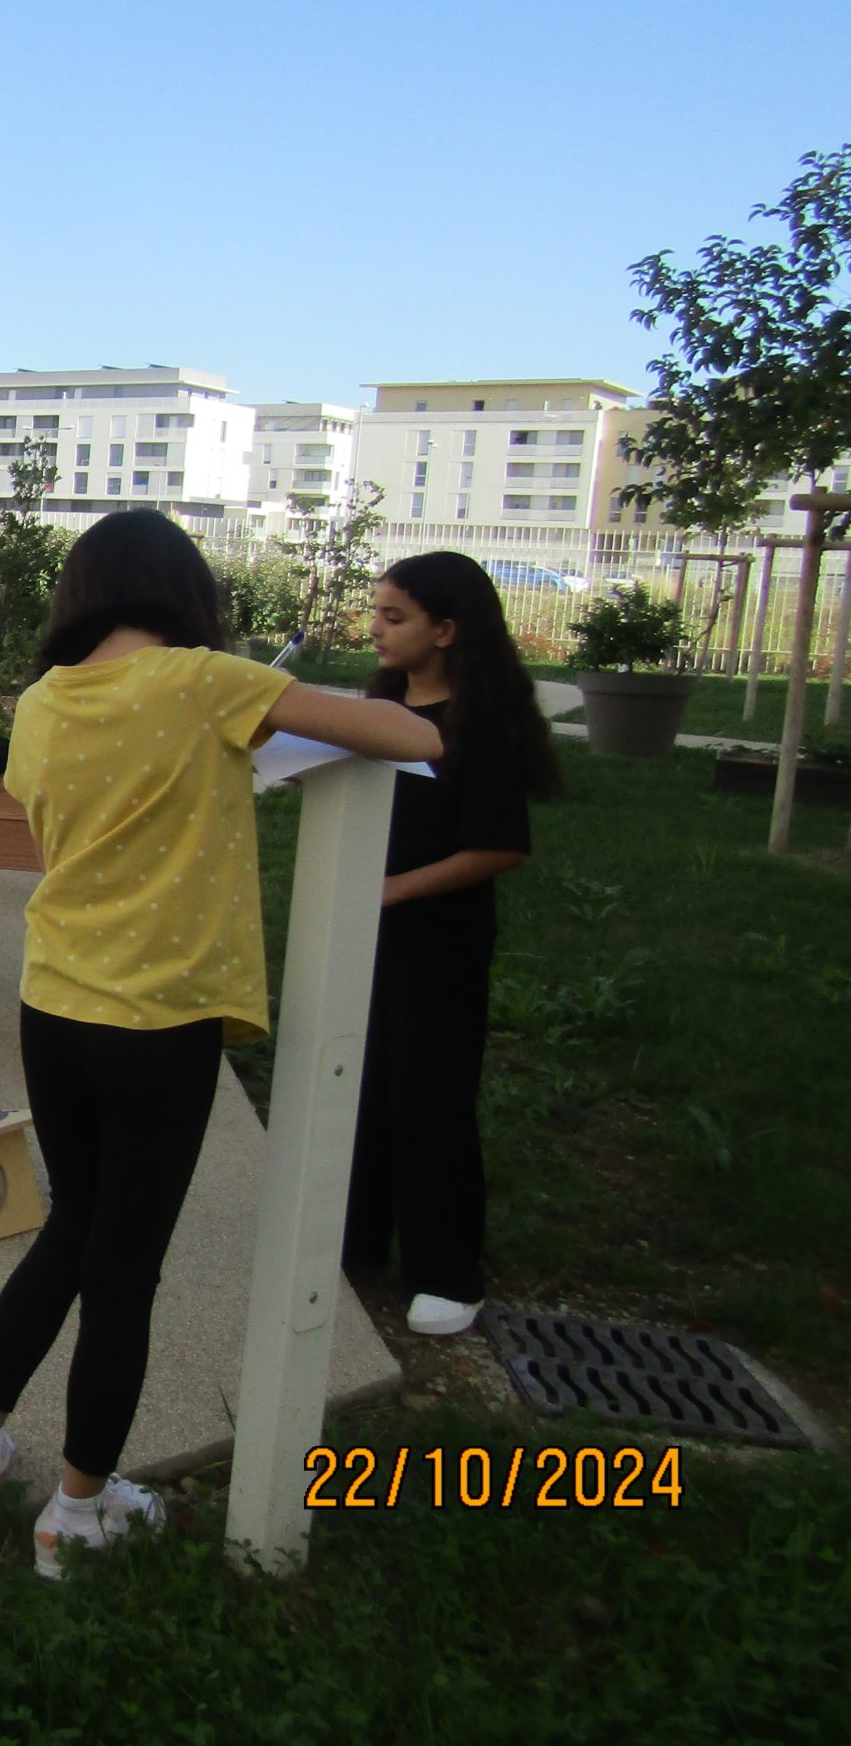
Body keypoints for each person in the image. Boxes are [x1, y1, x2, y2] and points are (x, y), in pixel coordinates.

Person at [0, 510, 441, 1575]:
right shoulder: (209, 683)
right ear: (183, 593)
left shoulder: (45, 699)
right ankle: (78, 1510)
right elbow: (415, 739)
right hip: (161, 1021)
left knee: (70, 1225)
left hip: (56, 999)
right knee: (123, 1271)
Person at [345, 552, 558, 1338]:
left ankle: (446, 1270)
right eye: (377, 611)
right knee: (363, 1081)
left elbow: (501, 845)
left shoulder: (479, 725)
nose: (376, 627)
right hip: (367, 935)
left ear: (445, 630)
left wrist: (392, 892)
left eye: (394, 616)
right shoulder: (381, 708)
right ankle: (359, 1237)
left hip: (440, 943)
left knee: (430, 1095)